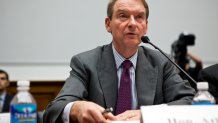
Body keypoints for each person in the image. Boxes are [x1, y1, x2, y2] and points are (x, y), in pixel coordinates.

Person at [43, 0, 195, 123]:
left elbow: (190, 101)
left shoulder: (161, 62)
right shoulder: (85, 62)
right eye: (123, 16)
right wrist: (76, 108)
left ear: (146, 27)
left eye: (139, 17)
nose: (132, 23)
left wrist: (147, 115)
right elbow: (54, 109)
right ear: (108, 24)